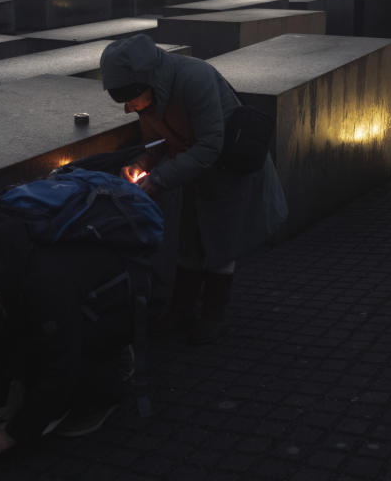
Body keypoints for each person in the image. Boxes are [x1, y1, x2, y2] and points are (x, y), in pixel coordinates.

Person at [100, 34, 288, 345]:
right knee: (189, 238)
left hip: (231, 168)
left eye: (131, 99)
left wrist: (158, 180)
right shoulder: (149, 97)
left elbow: (210, 145)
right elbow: (158, 144)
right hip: (194, 171)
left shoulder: (195, 77)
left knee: (221, 243)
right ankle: (181, 310)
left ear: (146, 83)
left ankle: (213, 314)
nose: (129, 108)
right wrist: (142, 163)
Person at [0, 212, 133, 463]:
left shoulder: (40, 283)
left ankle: (106, 385)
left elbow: (60, 365)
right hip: (72, 305)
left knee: (64, 366)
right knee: (39, 350)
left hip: (116, 303)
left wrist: (11, 434)